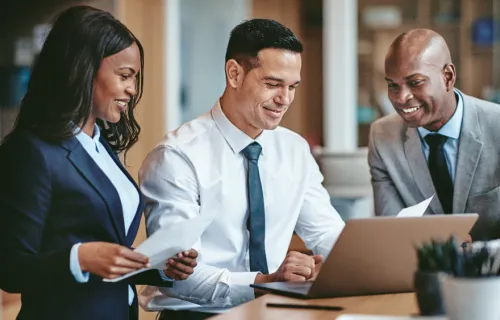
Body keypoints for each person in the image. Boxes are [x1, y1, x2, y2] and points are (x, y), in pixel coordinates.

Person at [138, 18, 345, 319]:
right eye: (273, 84)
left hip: (273, 311)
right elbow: (178, 278)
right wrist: (264, 283)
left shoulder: (295, 150)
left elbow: (326, 233)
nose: (284, 99)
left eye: (292, 87)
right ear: (234, 73)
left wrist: (361, 261)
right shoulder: (177, 157)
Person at [0, 6, 198, 320]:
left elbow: (108, 256)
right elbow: (10, 268)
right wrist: (79, 257)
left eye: (134, 78)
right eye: (124, 76)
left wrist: (160, 267)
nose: (132, 90)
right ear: (84, 69)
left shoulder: (100, 146)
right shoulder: (32, 152)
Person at [368, 28, 500, 240]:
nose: (402, 97)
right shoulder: (382, 137)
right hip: (421, 267)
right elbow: (391, 231)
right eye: (393, 85)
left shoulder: (496, 126)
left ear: (447, 77)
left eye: (415, 82)